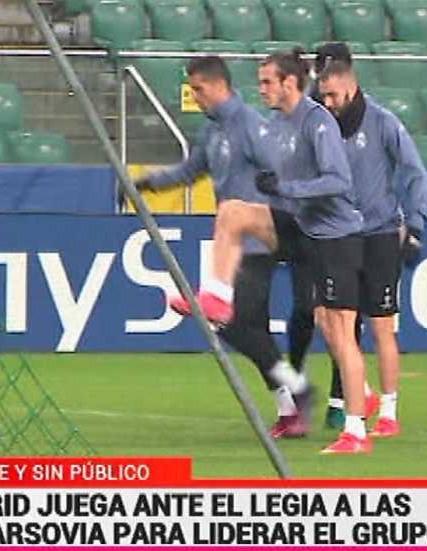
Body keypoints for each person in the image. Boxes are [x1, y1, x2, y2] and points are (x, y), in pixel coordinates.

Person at [171, 49, 373, 454]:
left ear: (289, 83)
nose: (260, 88)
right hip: (300, 226)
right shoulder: (276, 125)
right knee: (233, 211)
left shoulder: (317, 122)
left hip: (334, 234)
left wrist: (286, 189)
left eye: (267, 81)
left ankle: (357, 426)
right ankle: (217, 295)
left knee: (336, 328)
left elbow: (339, 181)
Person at [132, 56, 313, 437]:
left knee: (232, 324)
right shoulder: (213, 129)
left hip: (256, 243)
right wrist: (148, 182)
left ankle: (296, 392)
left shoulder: (249, 123)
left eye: (198, 89)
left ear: (218, 86)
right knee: (247, 329)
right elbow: (190, 170)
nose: (195, 96)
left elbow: (281, 168)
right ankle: (291, 405)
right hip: (232, 247)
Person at [316, 60, 427, 438]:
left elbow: (414, 171)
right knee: (328, 319)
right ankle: (362, 393)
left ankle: (389, 411)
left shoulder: (382, 122)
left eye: (333, 95)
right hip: (338, 235)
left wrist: (416, 224)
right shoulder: (321, 126)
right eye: (323, 95)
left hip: (379, 233)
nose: (327, 102)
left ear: (351, 89)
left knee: (382, 325)